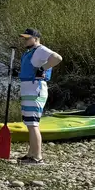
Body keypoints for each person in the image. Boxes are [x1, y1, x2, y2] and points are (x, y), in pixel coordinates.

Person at [18, 29, 63, 164]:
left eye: (27, 38)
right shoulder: (31, 52)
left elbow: (57, 58)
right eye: (24, 38)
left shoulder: (40, 49)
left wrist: (43, 68)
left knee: (33, 124)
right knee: (29, 123)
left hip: (35, 90)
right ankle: (31, 153)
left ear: (36, 38)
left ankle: (37, 157)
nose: (25, 40)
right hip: (29, 90)